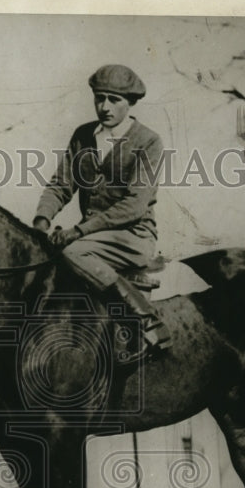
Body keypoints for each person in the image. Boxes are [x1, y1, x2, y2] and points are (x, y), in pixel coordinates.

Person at [33, 64, 172, 353]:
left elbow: (134, 206)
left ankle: (144, 318)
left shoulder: (149, 141)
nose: (104, 106)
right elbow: (61, 184)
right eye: (99, 98)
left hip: (133, 237)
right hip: (92, 238)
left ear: (130, 103)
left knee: (72, 251)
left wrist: (79, 231)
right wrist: (41, 222)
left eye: (114, 100)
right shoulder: (83, 135)